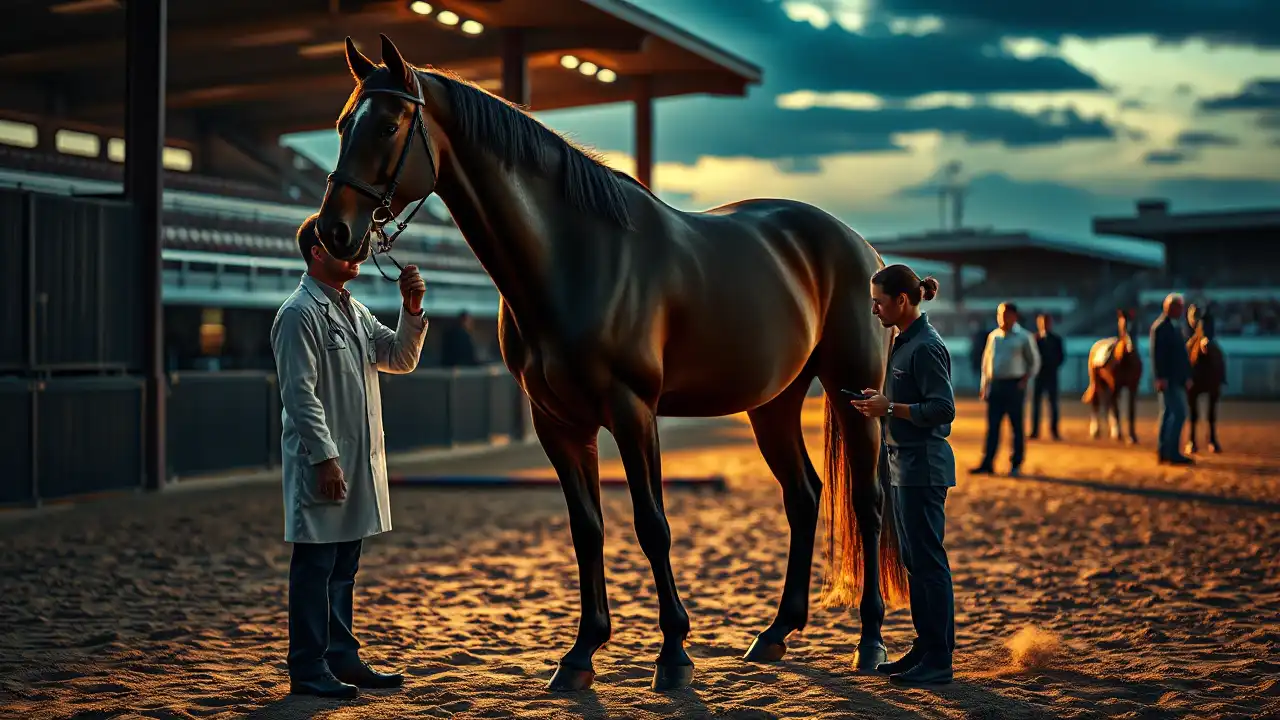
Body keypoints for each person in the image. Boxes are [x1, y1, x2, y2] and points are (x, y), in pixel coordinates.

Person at [270, 214, 429, 698]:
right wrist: (324, 458)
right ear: (317, 252)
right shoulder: (298, 313)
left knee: (344, 566)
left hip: (356, 463)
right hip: (328, 464)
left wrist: (412, 308)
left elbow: (399, 358)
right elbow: (299, 396)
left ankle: (341, 657)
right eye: (343, 242)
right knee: (315, 566)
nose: (357, 249)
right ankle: (308, 667)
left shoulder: (353, 310)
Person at [849, 263, 957, 686]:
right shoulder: (903, 340)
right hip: (904, 465)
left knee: (928, 562)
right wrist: (882, 401)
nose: (873, 309)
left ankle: (939, 658)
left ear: (902, 301)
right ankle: (926, 645)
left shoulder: (926, 345)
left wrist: (890, 409)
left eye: (878, 301)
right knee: (914, 560)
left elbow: (943, 411)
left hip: (924, 467)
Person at [971, 302, 1040, 477]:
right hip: (996, 386)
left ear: (1014, 316)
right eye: (999, 314)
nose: (1002, 318)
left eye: (1006, 315)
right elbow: (986, 363)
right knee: (992, 427)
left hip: (1014, 385)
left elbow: (1034, 362)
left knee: (1016, 427)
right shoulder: (993, 336)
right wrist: (984, 385)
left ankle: (1016, 464)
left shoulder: (1024, 337)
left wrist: (1024, 380)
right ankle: (988, 463)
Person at [1150, 292, 1195, 465]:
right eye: (1179, 307)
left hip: (1175, 378)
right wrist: (1160, 377)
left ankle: (1164, 452)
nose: (1182, 310)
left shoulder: (1173, 326)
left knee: (1168, 413)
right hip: (1169, 379)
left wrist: (1186, 376)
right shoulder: (1161, 327)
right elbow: (1158, 355)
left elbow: (1180, 356)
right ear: (1170, 308)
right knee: (1179, 414)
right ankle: (1172, 452)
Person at [1029, 313, 1065, 441]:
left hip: (1051, 375)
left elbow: (1061, 357)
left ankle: (1054, 431)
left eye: (1046, 322)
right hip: (1038, 376)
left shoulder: (1057, 339)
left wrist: (1052, 366)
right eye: (1042, 322)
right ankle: (1034, 431)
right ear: (1038, 323)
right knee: (1035, 405)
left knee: (1053, 405)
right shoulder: (1033, 339)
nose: (1044, 324)